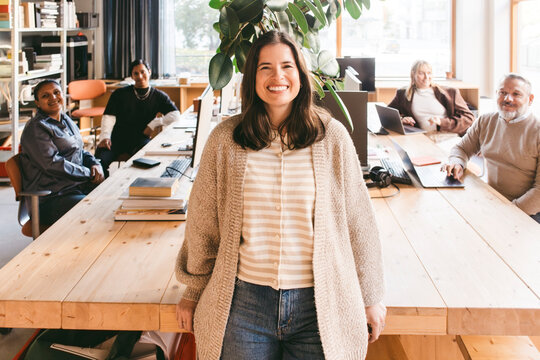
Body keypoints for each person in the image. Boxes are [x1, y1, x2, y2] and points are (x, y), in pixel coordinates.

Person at [175, 30, 386, 360]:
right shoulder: (225, 140)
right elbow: (204, 224)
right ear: (252, 77)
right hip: (243, 305)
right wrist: (194, 289)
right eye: (265, 68)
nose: (278, 77)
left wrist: (371, 297)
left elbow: (359, 224)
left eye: (287, 66)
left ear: (300, 74)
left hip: (319, 305)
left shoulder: (332, 138)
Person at [444, 74, 540, 223]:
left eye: (516, 94)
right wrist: (457, 162)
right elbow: (462, 148)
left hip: (527, 212)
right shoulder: (486, 120)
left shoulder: (537, 131)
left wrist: (507, 212)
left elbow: (539, 192)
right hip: (492, 198)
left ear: (530, 99)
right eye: (502, 92)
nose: (508, 99)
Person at [19, 79, 105, 226]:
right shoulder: (36, 128)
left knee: (116, 197)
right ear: (37, 103)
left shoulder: (65, 118)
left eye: (56, 92)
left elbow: (80, 150)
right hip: (52, 198)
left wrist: (95, 164)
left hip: (75, 187)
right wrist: (88, 173)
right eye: (45, 96)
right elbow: (52, 164)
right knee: (98, 211)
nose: (53, 97)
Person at [95, 59, 180, 177]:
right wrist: (105, 137)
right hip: (116, 140)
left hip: (140, 139)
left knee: (146, 161)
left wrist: (154, 123)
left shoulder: (158, 96)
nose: (140, 76)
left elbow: (175, 115)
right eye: (136, 73)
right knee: (99, 161)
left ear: (149, 72)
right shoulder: (119, 94)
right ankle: (101, 191)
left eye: (143, 72)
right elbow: (108, 117)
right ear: (131, 76)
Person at [388, 60, 474, 136]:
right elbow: (387, 114)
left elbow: (469, 118)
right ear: (413, 74)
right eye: (421, 73)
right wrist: (402, 119)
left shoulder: (450, 92)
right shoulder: (403, 94)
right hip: (421, 137)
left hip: (447, 135)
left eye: (429, 73)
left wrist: (441, 122)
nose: (426, 77)